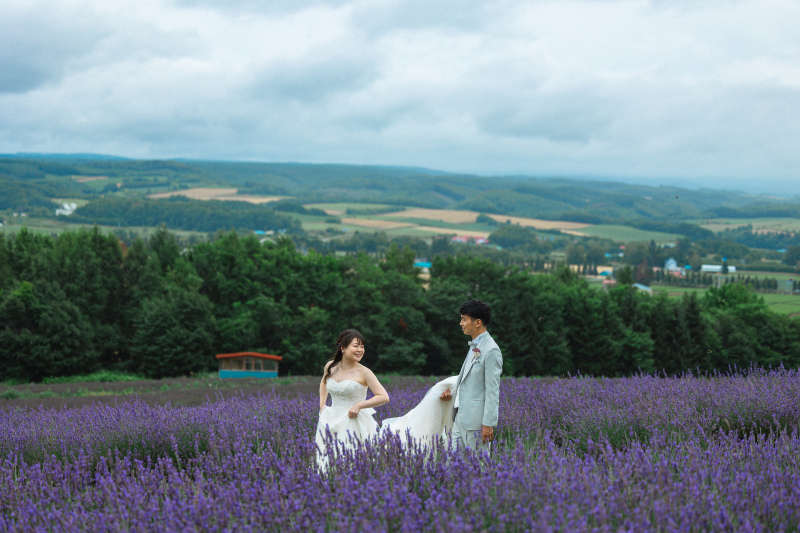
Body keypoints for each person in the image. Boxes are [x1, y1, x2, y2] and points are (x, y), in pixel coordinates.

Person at [315, 329, 390, 468]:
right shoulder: (330, 367)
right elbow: (324, 382)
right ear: (343, 348)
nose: (360, 350)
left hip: (354, 422)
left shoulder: (365, 372)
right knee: (327, 461)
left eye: (362, 346)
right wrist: (322, 405)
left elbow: (384, 397)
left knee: (353, 462)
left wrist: (359, 405)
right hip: (330, 419)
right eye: (356, 346)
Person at [439, 299, 503, 450]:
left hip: (476, 423)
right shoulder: (474, 345)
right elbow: (469, 381)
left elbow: (492, 390)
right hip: (459, 417)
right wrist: (451, 392)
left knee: (479, 468)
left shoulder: (491, 350)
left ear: (477, 322)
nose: (460, 323)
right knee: (452, 466)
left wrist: (488, 424)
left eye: (463, 319)